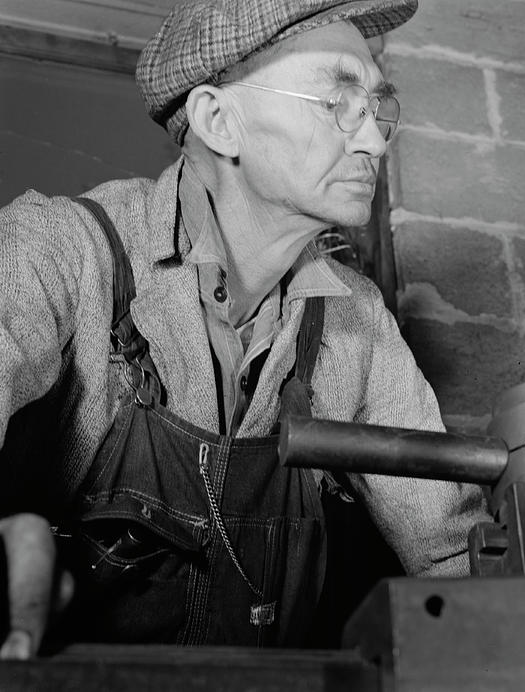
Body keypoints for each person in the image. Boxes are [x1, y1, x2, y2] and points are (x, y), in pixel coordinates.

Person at [0, 0, 487, 658]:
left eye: (377, 106)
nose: (373, 139)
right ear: (218, 120)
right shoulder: (61, 254)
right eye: (337, 102)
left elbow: (454, 558)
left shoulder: (356, 321)